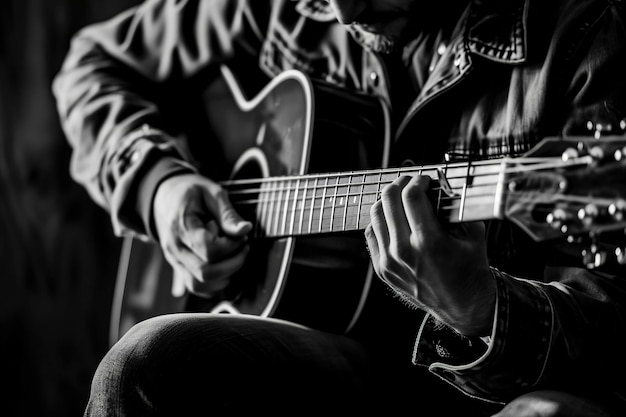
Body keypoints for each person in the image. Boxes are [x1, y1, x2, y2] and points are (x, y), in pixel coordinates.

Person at [52, 0, 626, 415]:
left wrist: (483, 309)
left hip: (491, 383)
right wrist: (159, 187)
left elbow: (617, 325)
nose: (340, 9)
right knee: (145, 365)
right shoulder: (283, 8)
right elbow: (90, 65)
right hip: (339, 350)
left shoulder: (582, 33)